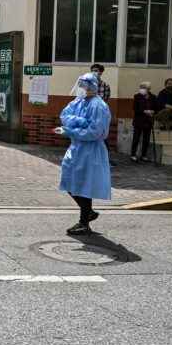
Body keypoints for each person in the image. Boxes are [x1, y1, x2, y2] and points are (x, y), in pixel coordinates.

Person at [55, 73, 112, 235]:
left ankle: (84, 221)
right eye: (80, 85)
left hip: (91, 150)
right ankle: (88, 212)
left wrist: (73, 128)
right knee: (69, 181)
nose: (81, 89)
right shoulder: (78, 101)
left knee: (84, 184)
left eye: (84, 86)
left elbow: (96, 131)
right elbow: (65, 117)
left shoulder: (98, 105)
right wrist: (79, 124)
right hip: (76, 147)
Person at [91, 64, 116, 167]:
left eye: (96, 70)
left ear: (101, 72)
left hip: (100, 115)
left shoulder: (105, 86)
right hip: (89, 114)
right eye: (92, 70)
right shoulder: (87, 84)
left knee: (103, 137)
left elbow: (105, 101)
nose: (94, 72)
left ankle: (106, 159)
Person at [131, 82, 157, 163]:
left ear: (148, 89)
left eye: (144, 87)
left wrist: (152, 111)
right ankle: (133, 154)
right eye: (141, 87)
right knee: (136, 138)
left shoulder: (153, 97)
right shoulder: (137, 96)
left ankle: (144, 155)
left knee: (146, 139)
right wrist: (144, 111)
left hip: (148, 121)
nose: (142, 88)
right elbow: (135, 108)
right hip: (139, 120)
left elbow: (156, 107)